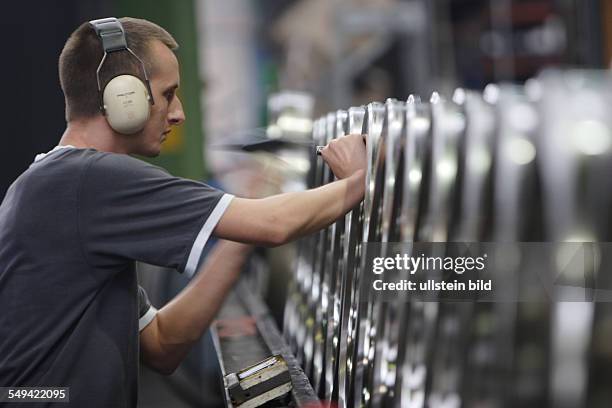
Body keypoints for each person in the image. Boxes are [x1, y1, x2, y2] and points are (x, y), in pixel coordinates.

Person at [0, 17, 366, 407]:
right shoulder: (88, 178)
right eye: (168, 93)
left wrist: (239, 237)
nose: (178, 114)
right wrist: (363, 178)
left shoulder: (59, 182)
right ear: (125, 97)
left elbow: (162, 344)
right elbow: (275, 225)